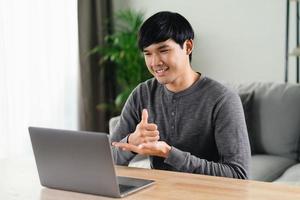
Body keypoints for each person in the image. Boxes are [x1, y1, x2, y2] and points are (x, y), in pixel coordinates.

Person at [111, 11, 251, 179]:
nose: (155, 62)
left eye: (163, 50)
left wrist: (169, 153)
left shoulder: (223, 100)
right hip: (159, 192)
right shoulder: (142, 94)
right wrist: (130, 142)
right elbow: (107, 159)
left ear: (188, 46)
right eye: (148, 53)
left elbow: (239, 175)